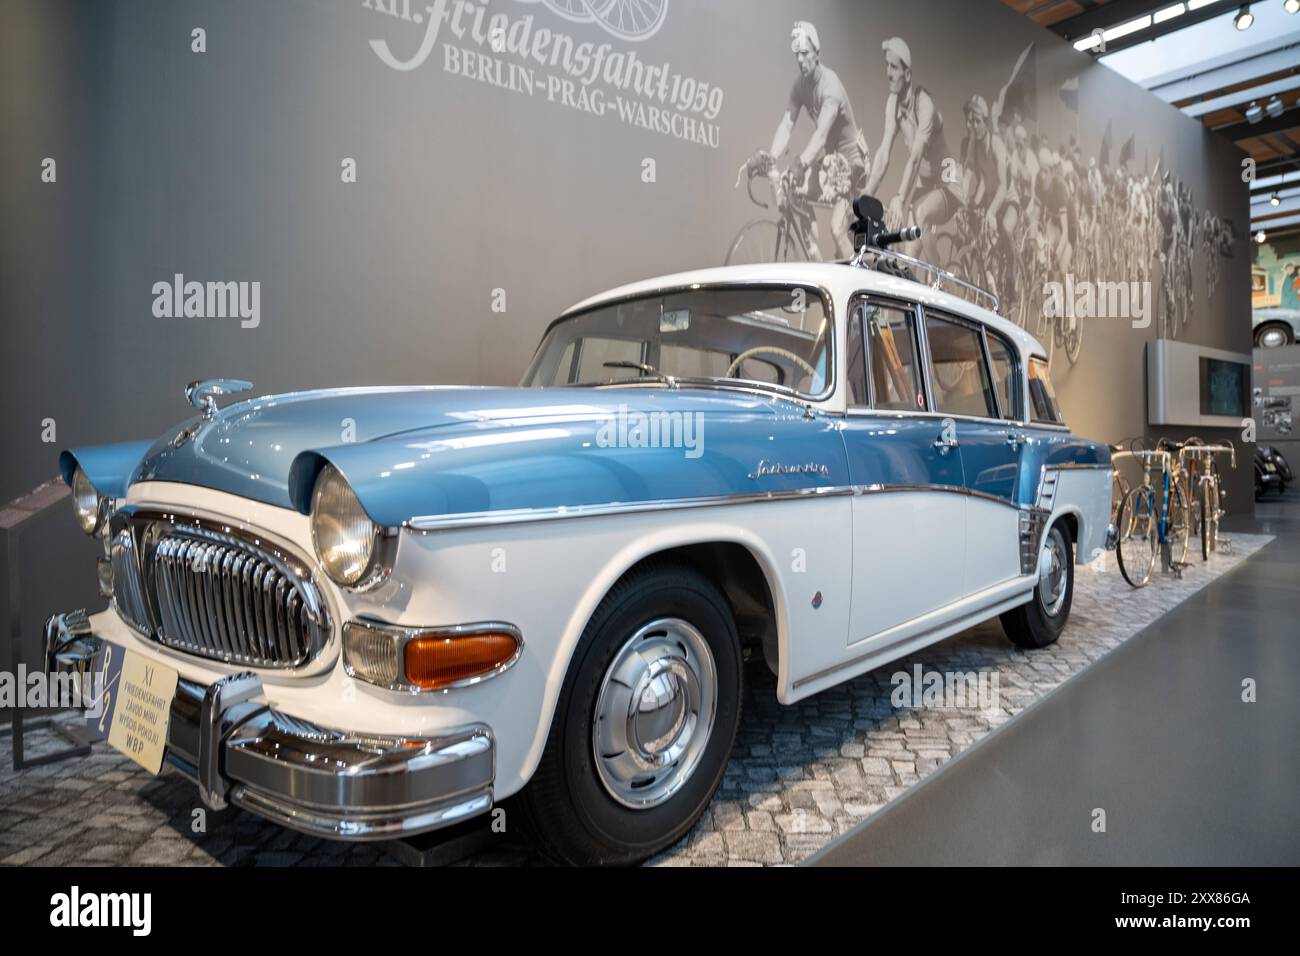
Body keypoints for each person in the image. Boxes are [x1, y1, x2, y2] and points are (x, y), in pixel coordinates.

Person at [758, 20, 868, 259]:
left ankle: (859, 284)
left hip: (852, 166)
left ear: (816, 53)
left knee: (838, 231)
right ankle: (814, 258)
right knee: (793, 188)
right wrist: (771, 157)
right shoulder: (800, 85)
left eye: (805, 53)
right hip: (832, 165)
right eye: (797, 54)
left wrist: (800, 164)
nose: (800, 60)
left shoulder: (831, 86)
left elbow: (820, 136)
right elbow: (787, 123)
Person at [864, 36, 958, 264]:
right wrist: (866, 194)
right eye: (886, 66)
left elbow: (915, 157)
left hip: (949, 181)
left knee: (920, 213)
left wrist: (899, 197)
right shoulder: (893, 103)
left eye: (893, 67)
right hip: (924, 184)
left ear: (907, 74)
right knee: (907, 257)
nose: (888, 73)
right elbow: (884, 152)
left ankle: (940, 284)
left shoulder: (924, 104)